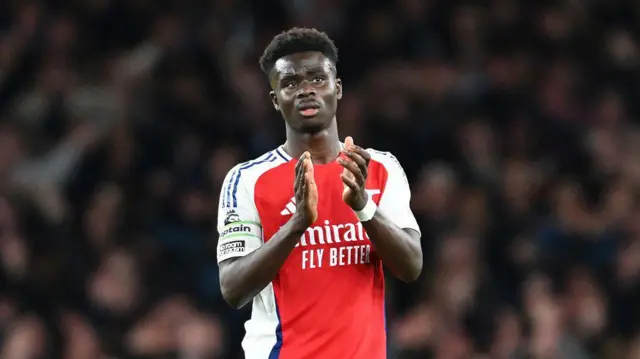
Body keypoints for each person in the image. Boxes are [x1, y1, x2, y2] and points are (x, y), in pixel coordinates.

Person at [216, 27, 423, 359]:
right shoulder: (246, 180)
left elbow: (411, 265)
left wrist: (363, 206)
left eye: (317, 79)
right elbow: (233, 288)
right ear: (275, 99)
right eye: (291, 83)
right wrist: (297, 224)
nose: (305, 91)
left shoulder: (380, 168)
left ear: (337, 88)